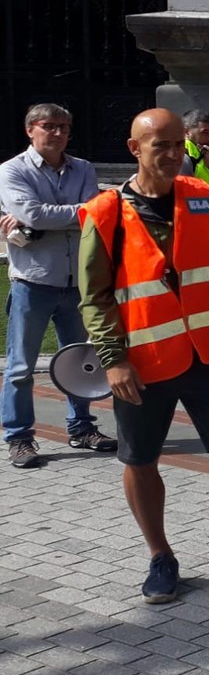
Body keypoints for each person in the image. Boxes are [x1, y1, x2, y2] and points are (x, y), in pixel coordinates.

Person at [78, 108, 209, 603]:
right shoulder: (105, 212)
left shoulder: (203, 196)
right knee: (141, 459)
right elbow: (95, 296)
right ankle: (160, 557)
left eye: (179, 145)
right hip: (143, 363)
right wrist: (113, 359)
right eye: (161, 146)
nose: (174, 155)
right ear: (135, 149)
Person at [0, 103, 115, 467]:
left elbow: (97, 213)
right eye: (49, 126)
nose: (58, 133)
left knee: (80, 360)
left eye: (64, 127)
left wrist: (45, 219)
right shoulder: (11, 170)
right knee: (21, 368)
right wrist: (79, 212)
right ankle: (19, 437)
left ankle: (82, 427)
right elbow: (34, 214)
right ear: (30, 129)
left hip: (78, 280)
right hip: (33, 281)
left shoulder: (83, 168)